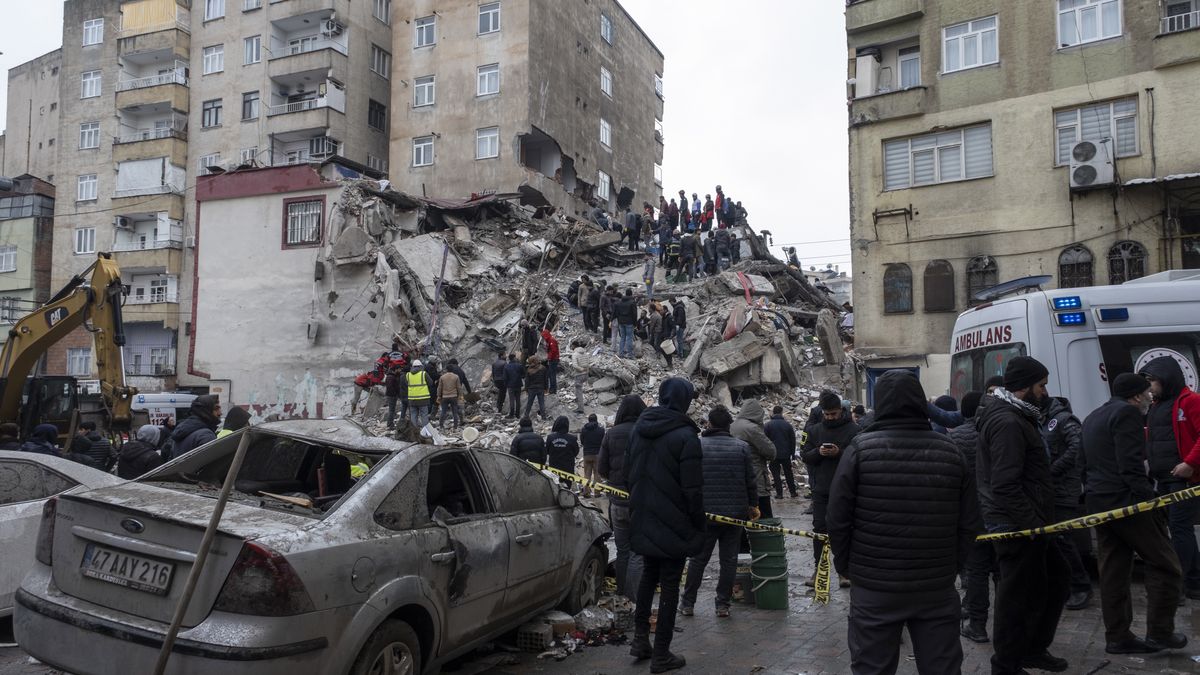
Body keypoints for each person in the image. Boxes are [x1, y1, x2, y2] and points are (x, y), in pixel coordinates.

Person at [827, 370, 980, 675]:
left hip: (874, 587)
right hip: (935, 586)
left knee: (872, 668)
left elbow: (837, 519)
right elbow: (969, 522)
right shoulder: (951, 452)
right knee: (942, 667)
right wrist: (953, 566)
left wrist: (847, 566)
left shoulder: (859, 451)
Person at [976, 356, 1071, 675]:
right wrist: (1032, 524)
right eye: (1041, 386)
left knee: (1054, 581)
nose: (1045, 392)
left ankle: (1031, 649)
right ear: (1025, 387)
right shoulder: (1008, 421)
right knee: (1016, 597)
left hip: (1030, 522)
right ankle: (1006, 664)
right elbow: (1004, 484)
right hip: (1016, 525)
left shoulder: (1017, 416)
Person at [1082, 372, 1187, 655]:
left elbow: (1085, 464)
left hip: (1099, 503)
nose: (1151, 397)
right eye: (1147, 393)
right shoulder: (1127, 414)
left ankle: (1117, 636)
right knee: (1166, 565)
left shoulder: (1093, 417)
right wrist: (1148, 501)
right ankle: (1160, 633)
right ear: (1136, 396)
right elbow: (1129, 465)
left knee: (1113, 571)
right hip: (1127, 504)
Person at [626, 378, 704, 673]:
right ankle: (661, 654)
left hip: (643, 517)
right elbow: (693, 489)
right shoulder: (686, 436)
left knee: (649, 576)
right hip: (674, 523)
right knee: (670, 584)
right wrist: (698, 523)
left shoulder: (639, 429)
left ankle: (640, 640)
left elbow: (627, 473)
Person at [680, 405, 759, 618]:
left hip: (705, 514)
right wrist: (753, 505)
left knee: (698, 559)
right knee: (729, 560)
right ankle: (722, 604)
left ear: (710, 424)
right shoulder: (741, 447)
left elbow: (688, 479)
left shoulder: (697, 445)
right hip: (734, 515)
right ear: (729, 425)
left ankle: (688, 603)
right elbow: (750, 481)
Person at [1139, 355, 1200, 601]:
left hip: (1183, 479)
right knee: (1173, 529)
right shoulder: (1156, 406)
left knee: (1179, 528)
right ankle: (1190, 580)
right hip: (1161, 478)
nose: (1150, 387)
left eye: (1152, 381)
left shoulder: (1191, 401)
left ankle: (1188, 582)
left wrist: (1190, 463)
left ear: (1166, 379)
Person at [949, 392, 999, 644]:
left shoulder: (954, 438)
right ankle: (1006, 625)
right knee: (1002, 573)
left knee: (977, 572)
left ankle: (977, 624)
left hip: (972, 516)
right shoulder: (997, 433)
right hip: (1002, 515)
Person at [801, 392, 861, 586]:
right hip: (821, 490)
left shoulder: (854, 430)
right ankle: (818, 570)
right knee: (820, 530)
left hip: (845, 490)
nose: (830, 418)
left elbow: (859, 458)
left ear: (841, 411)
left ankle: (845, 572)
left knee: (845, 530)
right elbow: (805, 456)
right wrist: (818, 452)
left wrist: (839, 453)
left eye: (833, 414)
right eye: (826, 414)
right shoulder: (815, 430)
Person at [1041, 395, 1093, 610]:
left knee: (1063, 539)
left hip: (1064, 490)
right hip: (1050, 490)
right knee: (1054, 541)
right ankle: (1065, 586)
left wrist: (1053, 470)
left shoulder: (1063, 419)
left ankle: (1081, 586)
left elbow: (1077, 447)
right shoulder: (1044, 420)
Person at [599, 394, 648, 599]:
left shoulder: (612, 434)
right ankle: (634, 598)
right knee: (638, 553)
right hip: (641, 501)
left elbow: (602, 468)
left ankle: (621, 596)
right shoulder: (646, 432)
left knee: (622, 550)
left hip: (617, 502)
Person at [731, 399, 779, 519]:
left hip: (737, 481)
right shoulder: (752, 428)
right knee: (764, 519)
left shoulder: (731, 426)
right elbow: (771, 452)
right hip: (756, 480)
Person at [167, 395, 222, 460]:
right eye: (216, 409)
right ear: (206, 411)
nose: (220, 413)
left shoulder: (183, 429)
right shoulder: (206, 435)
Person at [765, 405, 799, 500]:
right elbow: (793, 440)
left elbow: (765, 440)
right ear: (781, 412)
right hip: (786, 454)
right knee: (788, 473)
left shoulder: (768, 425)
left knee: (776, 474)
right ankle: (793, 492)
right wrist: (793, 454)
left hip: (773, 454)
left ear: (773, 412)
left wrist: (767, 454)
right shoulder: (787, 425)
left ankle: (779, 494)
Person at [546, 416, 580, 489]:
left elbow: (547, 451)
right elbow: (576, 451)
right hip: (568, 467)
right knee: (567, 488)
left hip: (554, 466)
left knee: (555, 486)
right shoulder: (572, 438)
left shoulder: (550, 437)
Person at [580, 414, 605, 498]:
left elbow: (582, 441)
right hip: (597, 454)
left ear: (589, 420)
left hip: (587, 454)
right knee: (597, 474)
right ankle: (597, 493)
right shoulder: (601, 430)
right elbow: (603, 442)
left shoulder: (584, 430)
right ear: (596, 420)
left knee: (587, 474)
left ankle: (586, 492)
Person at [405, 360, 433, 430]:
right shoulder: (423, 374)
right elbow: (430, 383)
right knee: (424, 415)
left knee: (413, 415)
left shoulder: (408, 375)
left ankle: (414, 432)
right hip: (423, 399)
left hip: (412, 400)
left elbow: (406, 384)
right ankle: (425, 432)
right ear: (421, 366)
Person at [615, 289, 638, 359]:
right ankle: (630, 354)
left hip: (621, 322)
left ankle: (621, 353)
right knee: (629, 338)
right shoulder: (632, 302)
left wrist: (619, 320)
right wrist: (635, 323)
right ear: (631, 294)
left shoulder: (620, 301)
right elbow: (634, 314)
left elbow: (617, 313)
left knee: (622, 337)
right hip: (629, 322)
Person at [523, 355, 548, 419]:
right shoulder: (543, 368)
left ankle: (526, 415)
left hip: (531, 389)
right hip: (541, 388)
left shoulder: (529, 370)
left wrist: (526, 389)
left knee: (529, 403)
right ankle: (543, 417)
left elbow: (527, 381)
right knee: (541, 403)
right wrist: (546, 388)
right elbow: (546, 379)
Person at [503, 353, 524, 418]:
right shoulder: (519, 365)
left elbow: (505, 377)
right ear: (514, 358)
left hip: (510, 385)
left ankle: (511, 414)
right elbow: (523, 374)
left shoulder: (506, 366)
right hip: (518, 385)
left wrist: (506, 385)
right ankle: (517, 414)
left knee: (511, 400)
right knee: (518, 400)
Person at [540, 328, 560, 394]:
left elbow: (553, 351)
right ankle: (552, 389)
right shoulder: (549, 340)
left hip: (553, 360)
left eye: (543, 336)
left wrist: (549, 358)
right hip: (553, 359)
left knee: (552, 375)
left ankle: (553, 389)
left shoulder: (551, 341)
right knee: (551, 375)